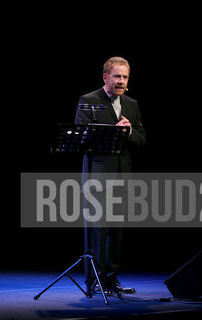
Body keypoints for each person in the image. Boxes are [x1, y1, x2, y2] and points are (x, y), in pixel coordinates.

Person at [74, 56, 146, 294]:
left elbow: (141, 139)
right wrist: (112, 134)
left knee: (117, 227)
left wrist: (128, 132)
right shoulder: (89, 100)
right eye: (117, 76)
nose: (121, 81)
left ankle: (112, 279)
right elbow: (80, 140)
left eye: (125, 77)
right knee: (97, 227)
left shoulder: (132, 104)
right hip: (97, 175)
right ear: (105, 77)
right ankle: (93, 279)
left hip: (122, 174)